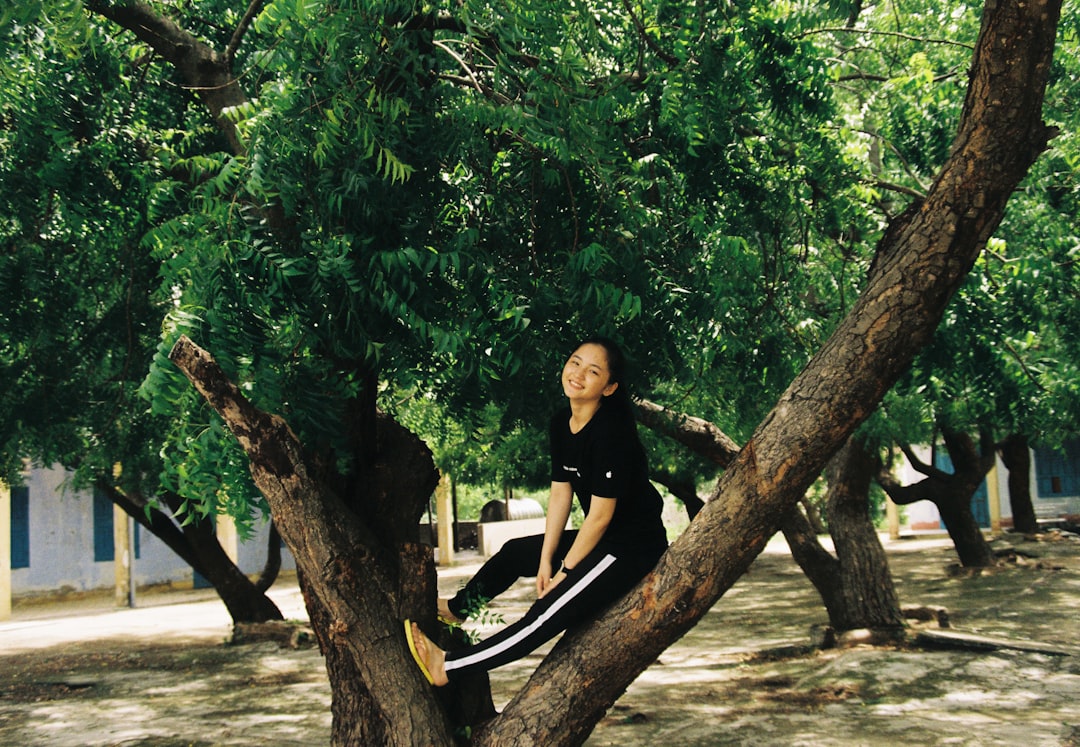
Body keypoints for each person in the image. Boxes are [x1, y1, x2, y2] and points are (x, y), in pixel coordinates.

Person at [405, 336, 668, 686]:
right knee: (516, 553)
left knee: (546, 611)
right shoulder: (563, 422)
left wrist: (565, 572)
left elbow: (601, 516)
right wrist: (545, 558)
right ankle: (458, 610)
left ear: (609, 387)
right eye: (575, 362)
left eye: (593, 371)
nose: (578, 374)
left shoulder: (612, 433)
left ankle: (448, 668)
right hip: (602, 537)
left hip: (630, 548)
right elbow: (561, 492)